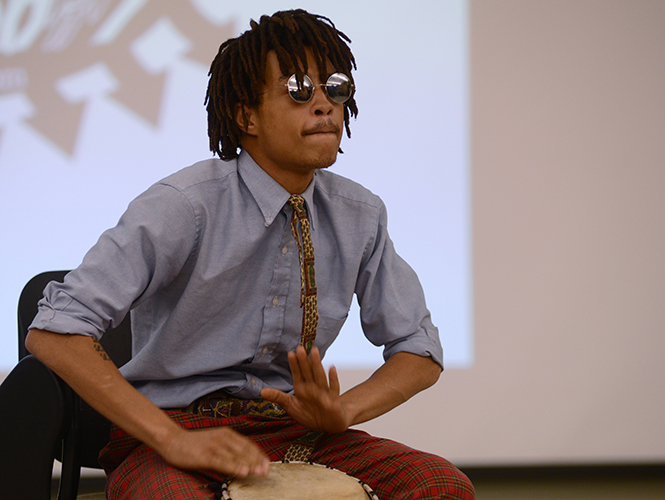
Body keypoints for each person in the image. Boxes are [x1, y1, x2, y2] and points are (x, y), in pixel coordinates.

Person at [26, 9, 475, 500]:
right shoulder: (184, 205)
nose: (325, 105)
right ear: (246, 116)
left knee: (440, 486)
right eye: (300, 89)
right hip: (172, 431)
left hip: (295, 433)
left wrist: (343, 411)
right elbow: (55, 332)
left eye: (336, 87)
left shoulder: (359, 214)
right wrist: (171, 439)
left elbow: (419, 349)